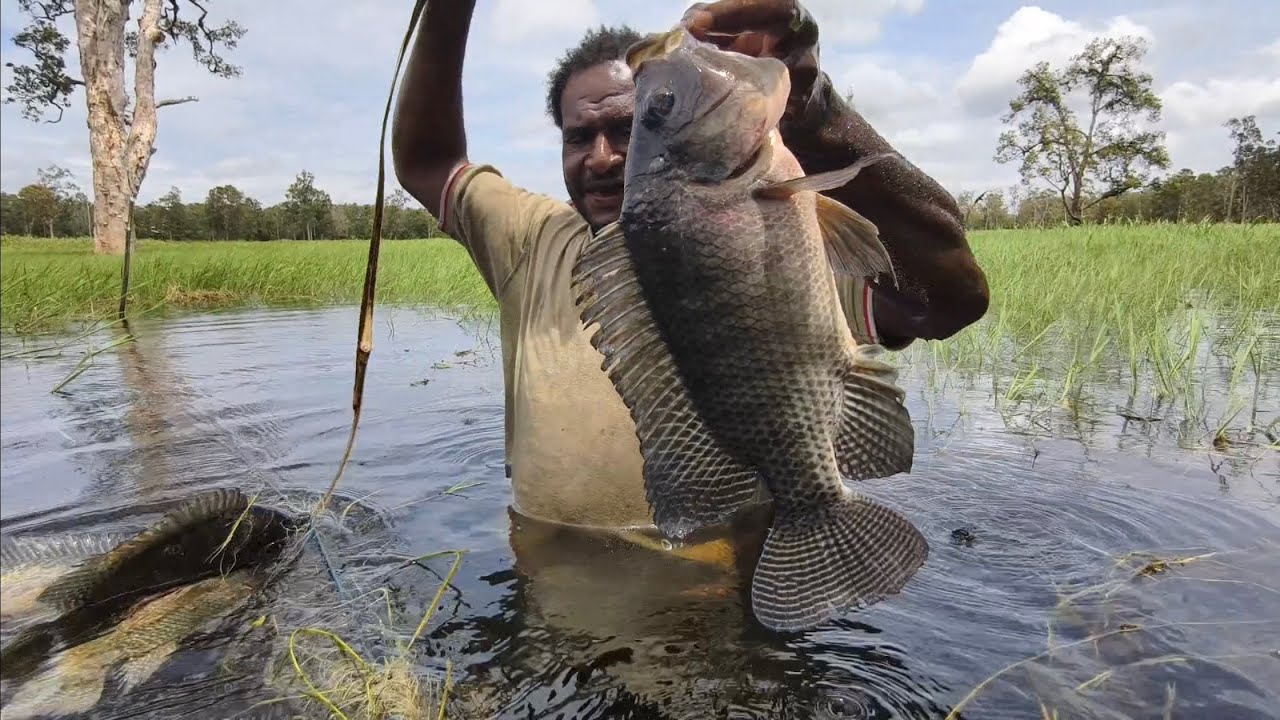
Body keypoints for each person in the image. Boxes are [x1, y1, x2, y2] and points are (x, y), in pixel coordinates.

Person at [391, 0, 988, 604]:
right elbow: (427, 161)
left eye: (630, 127)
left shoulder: (780, 229)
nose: (602, 157)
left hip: (720, 596)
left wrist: (811, 106)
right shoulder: (531, 239)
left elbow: (944, 303)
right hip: (558, 580)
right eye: (579, 138)